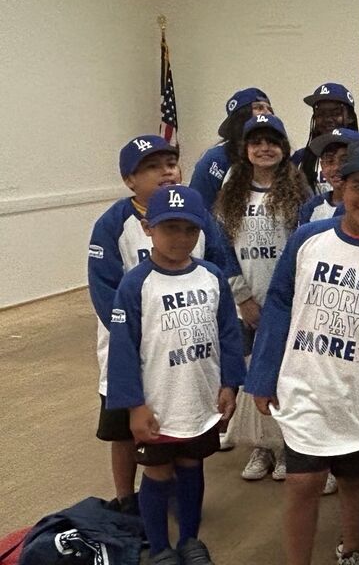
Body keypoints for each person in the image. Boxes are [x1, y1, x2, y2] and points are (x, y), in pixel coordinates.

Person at [245, 143, 359, 565]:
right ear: (340, 186)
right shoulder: (309, 239)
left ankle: (353, 545)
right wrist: (264, 374)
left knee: (356, 479)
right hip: (305, 384)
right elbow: (280, 305)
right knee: (302, 483)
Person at [89, 135, 239, 513]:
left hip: (187, 349)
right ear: (130, 179)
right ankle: (126, 501)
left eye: (171, 162)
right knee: (124, 429)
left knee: (180, 426)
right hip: (133, 351)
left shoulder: (199, 216)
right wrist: (140, 341)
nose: (167, 170)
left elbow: (218, 268)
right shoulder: (113, 224)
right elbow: (105, 291)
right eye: (153, 166)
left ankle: (171, 497)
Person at [107, 184, 244, 565]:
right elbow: (122, 352)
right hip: (157, 402)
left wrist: (230, 383)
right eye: (170, 228)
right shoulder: (136, 284)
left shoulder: (212, 276)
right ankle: (162, 548)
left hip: (198, 397)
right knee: (157, 472)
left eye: (190, 230)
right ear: (149, 227)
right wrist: (134, 406)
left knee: (191, 467)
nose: (180, 238)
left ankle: (188, 539)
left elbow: (228, 335)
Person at [214, 114, 309, 483]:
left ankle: (286, 446)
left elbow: (303, 247)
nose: (264, 148)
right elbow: (222, 249)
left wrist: (287, 299)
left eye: (273, 142)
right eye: (257, 142)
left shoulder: (299, 193)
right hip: (249, 301)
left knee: (285, 374)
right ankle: (262, 445)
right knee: (255, 372)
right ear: (246, 150)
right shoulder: (231, 194)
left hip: (287, 300)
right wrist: (243, 298)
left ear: (284, 149)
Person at [190, 88, 273, 206]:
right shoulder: (216, 158)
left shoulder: (278, 154)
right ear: (241, 117)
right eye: (259, 108)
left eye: (270, 109)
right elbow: (199, 208)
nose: (268, 113)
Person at [295, 83, 359, 195]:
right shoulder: (300, 158)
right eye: (321, 114)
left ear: (350, 117)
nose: (328, 119)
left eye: (335, 113)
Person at [298, 128, 357, 224]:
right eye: (329, 161)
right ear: (322, 165)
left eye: (345, 160)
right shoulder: (311, 207)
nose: (336, 167)